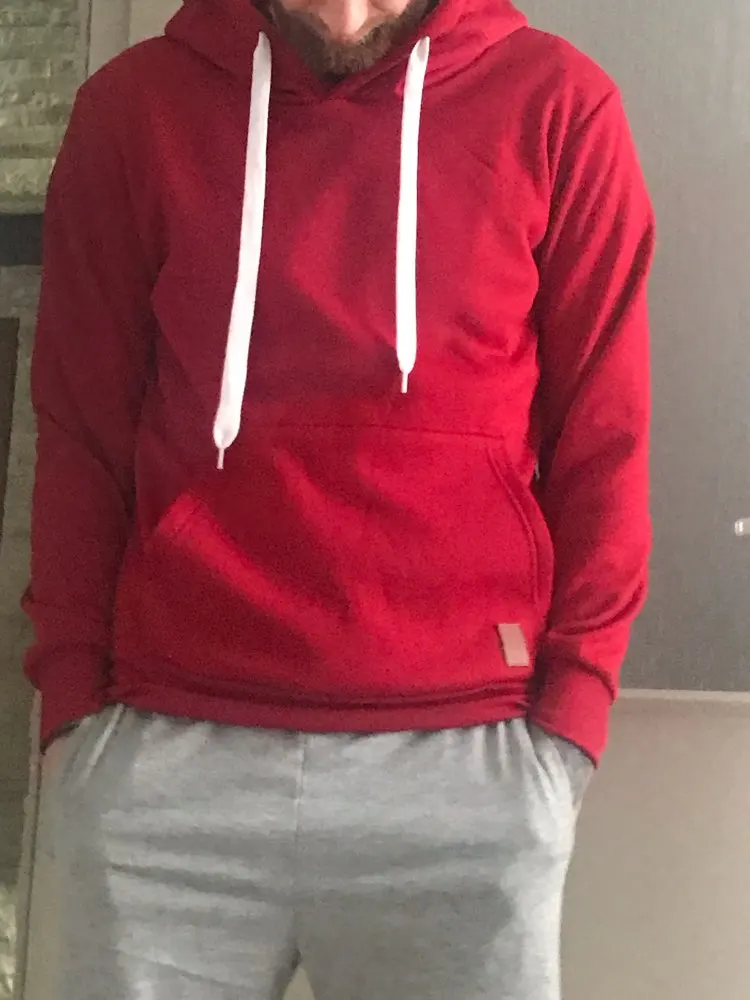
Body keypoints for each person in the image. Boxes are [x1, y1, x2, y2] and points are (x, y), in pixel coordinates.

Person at [25, 0, 654, 996]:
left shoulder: (559, 108)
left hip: (467, 771)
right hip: (163, 768)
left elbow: (606, 440)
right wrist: (71, 712)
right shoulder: (133, 113)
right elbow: (80, 432)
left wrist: (570, 721)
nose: (349, 14)